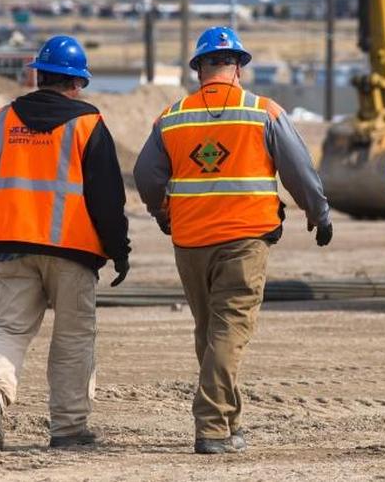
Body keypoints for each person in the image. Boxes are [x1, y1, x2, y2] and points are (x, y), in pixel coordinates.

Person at [133, 26, 332, 454]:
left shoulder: (171, 116)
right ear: (238, 66)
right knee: (229, 331)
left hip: (190, 242)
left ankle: (228, 420)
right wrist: (319, 213)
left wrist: (163, 213)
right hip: (244, 239)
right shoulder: (263, 111)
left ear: (199, 68)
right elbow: (299, 169)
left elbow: (146, 177)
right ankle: (211, 428)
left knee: (211, 332)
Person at [0, 35, 130, 451]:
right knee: (73, 338)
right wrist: (119, 250)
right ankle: (69, 428)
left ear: (38, 75)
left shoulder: (0, 120)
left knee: (8, 328)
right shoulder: (89, 124)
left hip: (9, 246)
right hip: (72, 252)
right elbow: (108, 198)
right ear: (78, 83)